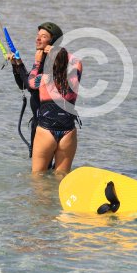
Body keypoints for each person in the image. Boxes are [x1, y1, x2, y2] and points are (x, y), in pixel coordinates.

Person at [9, 22, 82, 172]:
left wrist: (36, 62)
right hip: (68, 130)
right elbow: (77, 62)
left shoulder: (42, 78)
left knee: (37, 178)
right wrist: (60, 52)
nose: (38, 38)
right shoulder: (73, 79)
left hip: (45, 130)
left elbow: (30, 83)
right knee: (61, 177)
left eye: (43, 36)